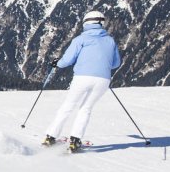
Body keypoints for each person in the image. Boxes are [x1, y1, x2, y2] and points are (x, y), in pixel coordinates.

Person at [42, 9, 122, 151]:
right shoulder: (110, 41)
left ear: (86, 23)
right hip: (103, 80)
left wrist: (56, 63)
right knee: (86, 108)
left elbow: (67, 60)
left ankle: (50, 137)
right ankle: (75, 140)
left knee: (68, 106)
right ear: (101, 23)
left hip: (82, 78)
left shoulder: (81, 39)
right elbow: (116, 64)